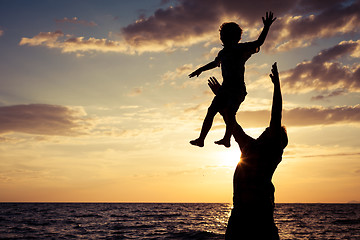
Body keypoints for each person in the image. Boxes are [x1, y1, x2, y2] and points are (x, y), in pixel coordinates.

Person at [208, 63, 288, 239]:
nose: (266, 130)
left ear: (277, 140)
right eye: (268, 130)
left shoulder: (271, 153)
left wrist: (277, 87)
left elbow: (276, 115)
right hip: (238, 218)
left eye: (270, 131)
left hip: (260, 219)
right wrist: (222, 96)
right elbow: (232, 123)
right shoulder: (248, 146)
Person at [189, 12, 276, 148]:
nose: (222, 38)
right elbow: (214, 63)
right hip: (225, 89)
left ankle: (227, 138)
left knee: (230, 112)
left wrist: (266, 27)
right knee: (211, 111)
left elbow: (259, 42)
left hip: (237, 89)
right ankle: (201, 139)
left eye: (225, 36)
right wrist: (200, 69)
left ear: (234, 37)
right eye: (221, 36)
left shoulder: (240, 49)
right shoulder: (222, 53)